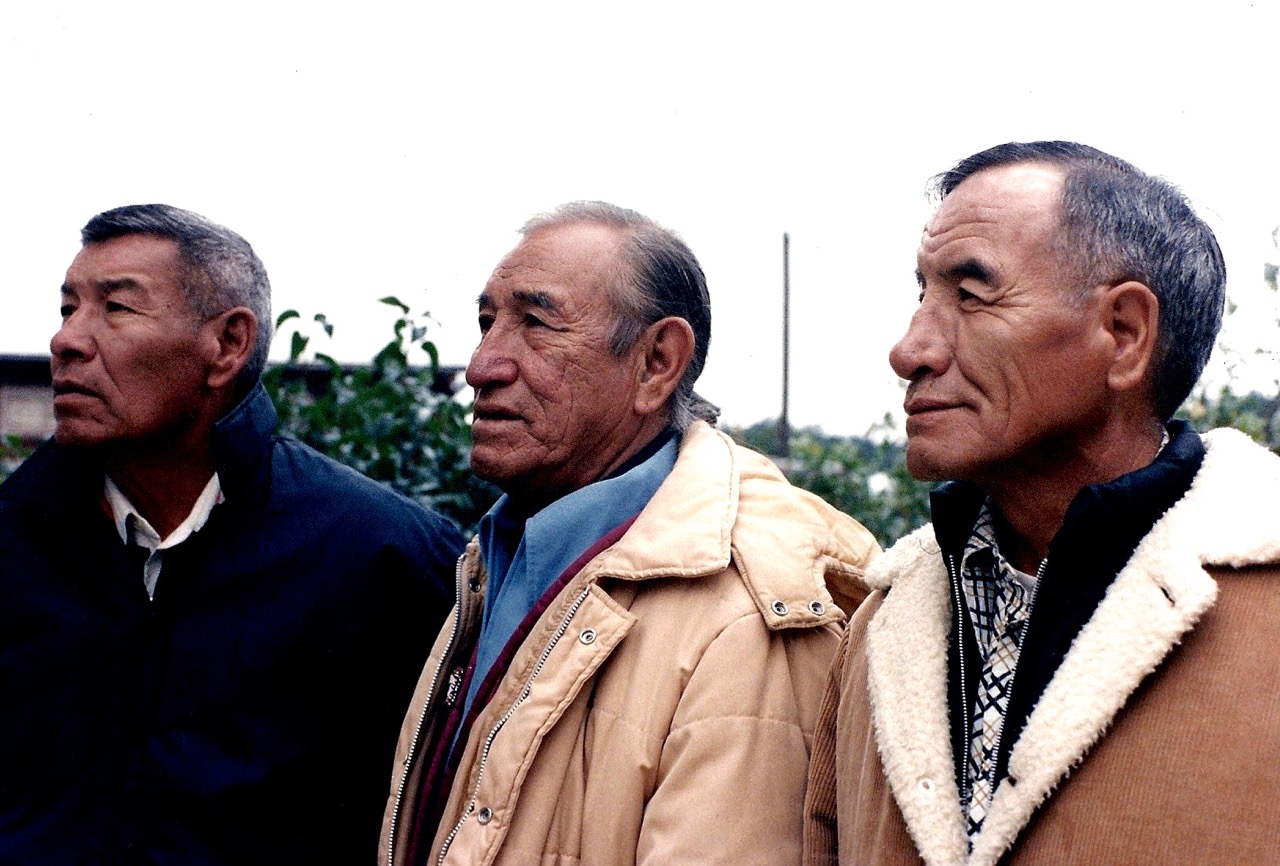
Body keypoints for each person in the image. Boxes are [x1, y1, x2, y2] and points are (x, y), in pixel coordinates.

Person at [803, 141, 1280, 865]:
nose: (910, 350)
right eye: (922, 294)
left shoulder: (1264, 600)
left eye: (971, 293)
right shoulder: (883, 623)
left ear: (1123, 334)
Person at [379, 201, 879, 866]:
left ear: (656, 363)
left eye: (535, 323)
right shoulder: (503, 554)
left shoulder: (747, 618)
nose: (480, 366)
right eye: (486, 322)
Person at [0, 204, 465, 865]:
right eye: (67, 308)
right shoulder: (17, 541)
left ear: (227, 344)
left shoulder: (383, 556)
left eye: (117, 309)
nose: (67, 340)